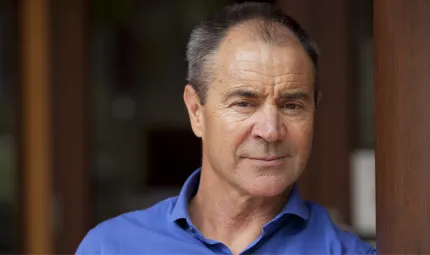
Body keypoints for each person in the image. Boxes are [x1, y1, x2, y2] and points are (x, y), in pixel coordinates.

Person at [76, 2, 376, 254]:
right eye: (244, 103)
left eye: (292, 106)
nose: (271, 131)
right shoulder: (113, 247)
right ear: (196, 111)